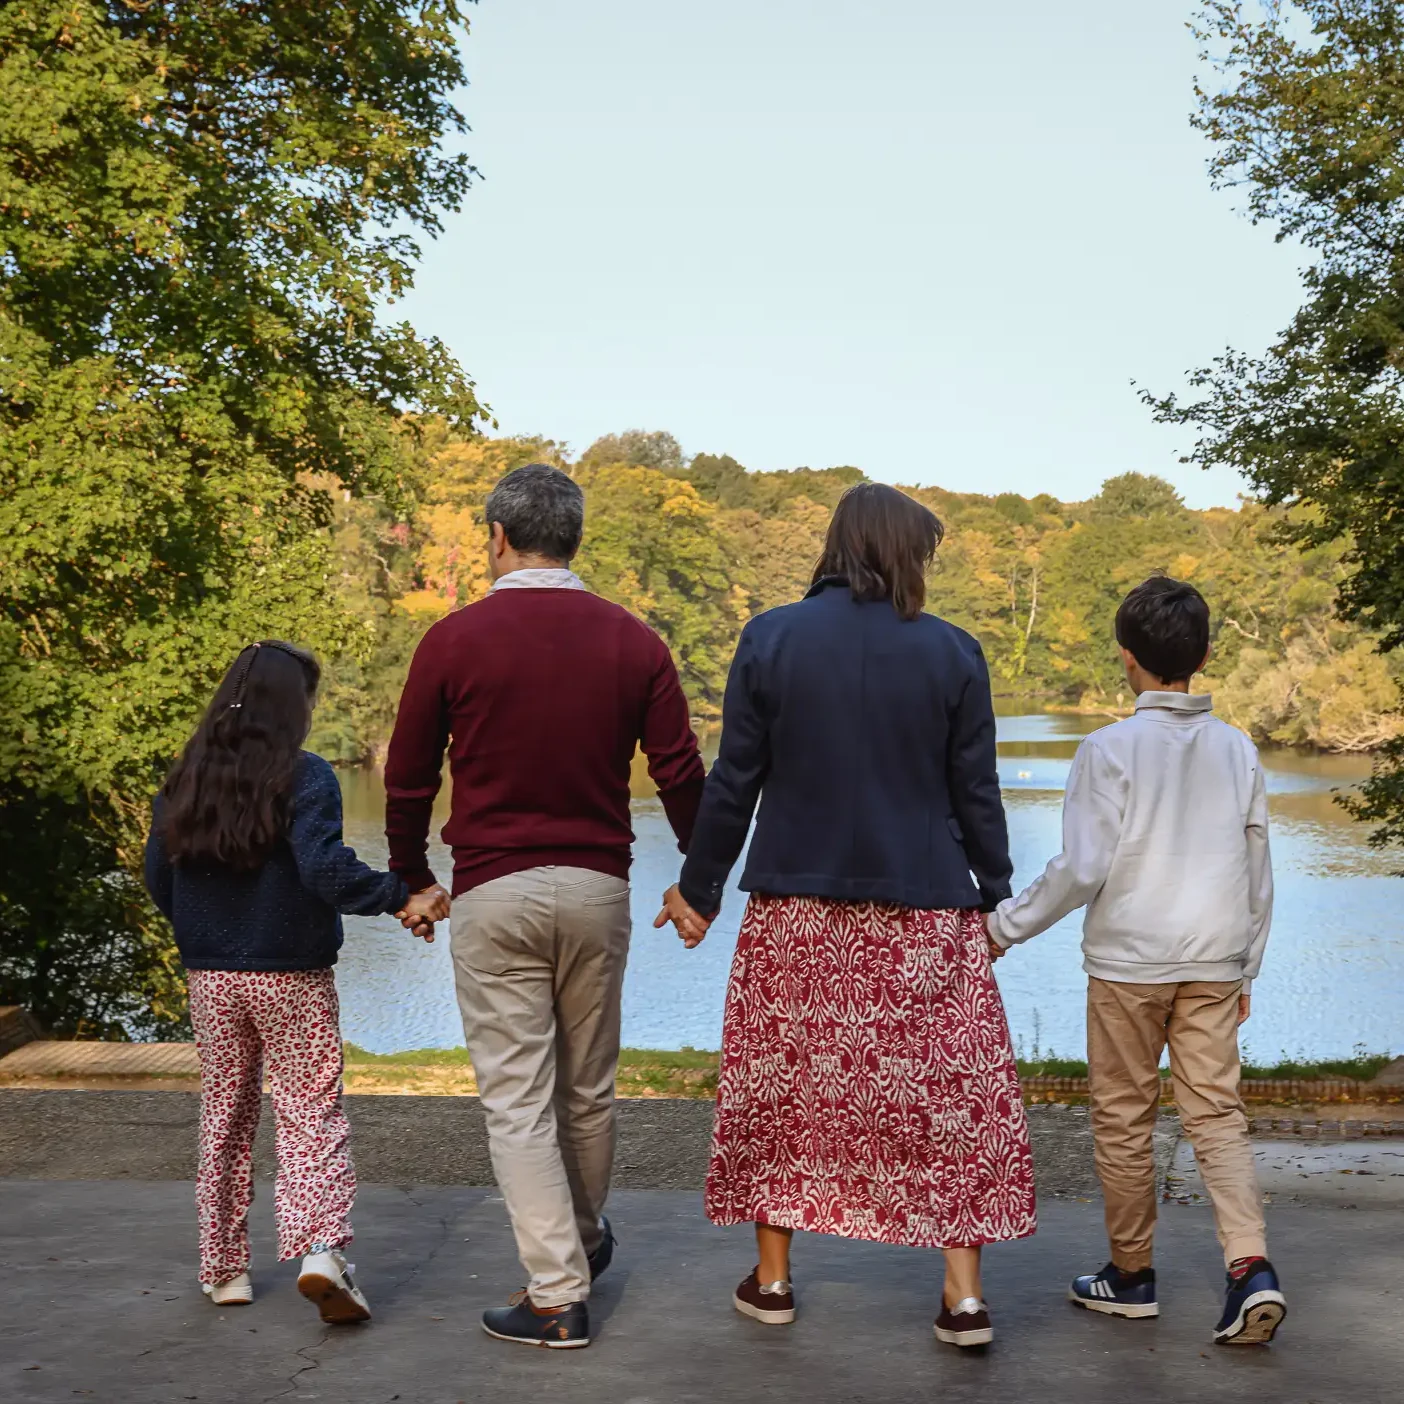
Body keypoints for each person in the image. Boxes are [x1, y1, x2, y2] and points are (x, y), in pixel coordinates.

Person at [657, 482, 1036, 1350]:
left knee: (783, 1088)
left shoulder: (772, 638)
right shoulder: (953, 653)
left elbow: (734, 782)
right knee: (949, 1098)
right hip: (927, 909)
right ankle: (964, 1298)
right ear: (903, 554)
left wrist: (700, 892)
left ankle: (776, 1279)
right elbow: (974, 790)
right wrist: (996, 893)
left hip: (797, 911)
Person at [383, 463, 705, 1350]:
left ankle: (559, 1292)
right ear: (575, 539)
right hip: (599, 888)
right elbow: (681, 775)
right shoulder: (635, 643)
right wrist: (700, 884)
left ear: (496, 537)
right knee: (589, 1088)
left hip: (493, 889)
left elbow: (408, 777)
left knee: (518, 1100)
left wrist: (410, 876)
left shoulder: (452, 640)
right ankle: (586, 1241)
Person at [987, 576, 1285, 1345]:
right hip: (1215, 959)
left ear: (1127, 661)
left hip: (1128, 964)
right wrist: (1246, 966)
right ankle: (1250, 1266)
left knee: (1125, 1115)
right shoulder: (1238, 749)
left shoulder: (1107, 749)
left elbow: (1082, 868)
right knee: (1216, 1113)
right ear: (1206, 655)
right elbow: (1258, 870)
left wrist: (1004, 928)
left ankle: (1131, 1275)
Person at [144, 640, 449, 1322]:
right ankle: (320, 1252)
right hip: (293, 979)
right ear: (293, 706)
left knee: (225, 1115)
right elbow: (325, 870)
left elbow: (158, 877)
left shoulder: (185, 777)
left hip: (212, 979)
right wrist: (401, 895)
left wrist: (202, 930)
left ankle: (225, 1270)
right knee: (310, 1112)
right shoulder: (305, 777)